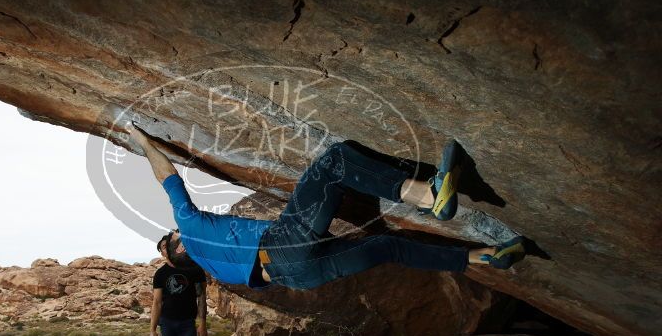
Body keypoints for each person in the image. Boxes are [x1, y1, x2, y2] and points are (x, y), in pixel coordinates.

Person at [127, 122, 525, 291]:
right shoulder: (191, 233)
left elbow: (259, 274)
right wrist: (145, 144)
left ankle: (487, 256)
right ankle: (428, 196)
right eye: (169, 239)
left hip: (299, 279)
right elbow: (169, 180)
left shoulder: (215, 269)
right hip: (283, 246)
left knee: (390, 247)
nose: (173, 232)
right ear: (178, 248)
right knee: (334, 162)